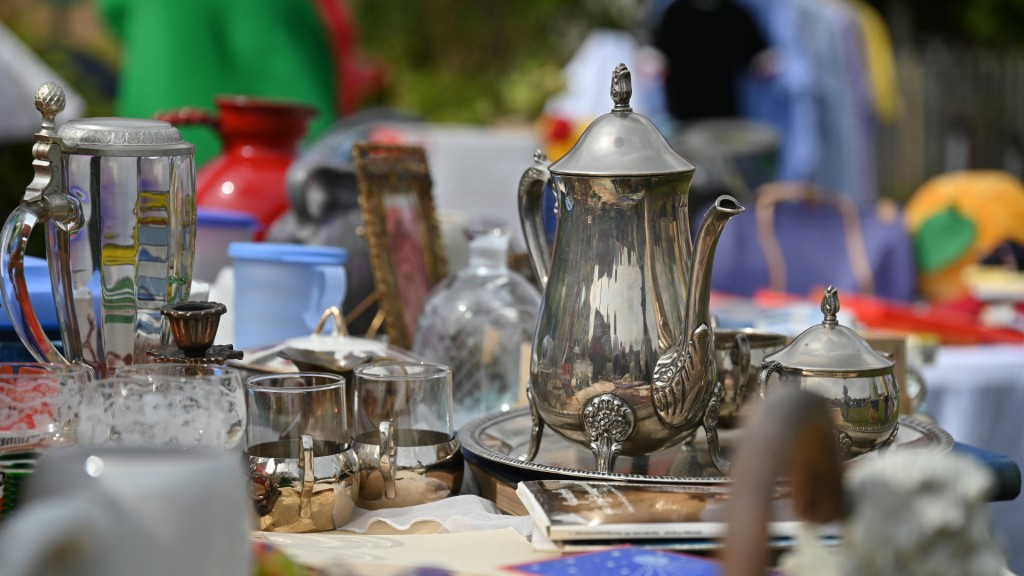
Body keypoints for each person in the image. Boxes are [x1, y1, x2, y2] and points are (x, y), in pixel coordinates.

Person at [653, 0, 770, 124]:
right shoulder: (674, 14)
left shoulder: (736, 14)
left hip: (726, 113)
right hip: (683, 114)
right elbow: (659, 53)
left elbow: (756, 55)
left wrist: (765, 62)